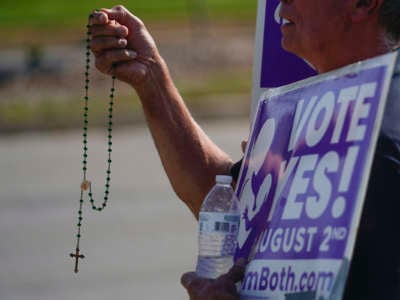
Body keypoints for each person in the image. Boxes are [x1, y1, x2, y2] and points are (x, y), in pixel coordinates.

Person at [89, 1, 400, 299]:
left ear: (362, 3)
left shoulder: (389, 124)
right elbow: (233, 206)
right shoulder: (309, 103)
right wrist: (151, 77)